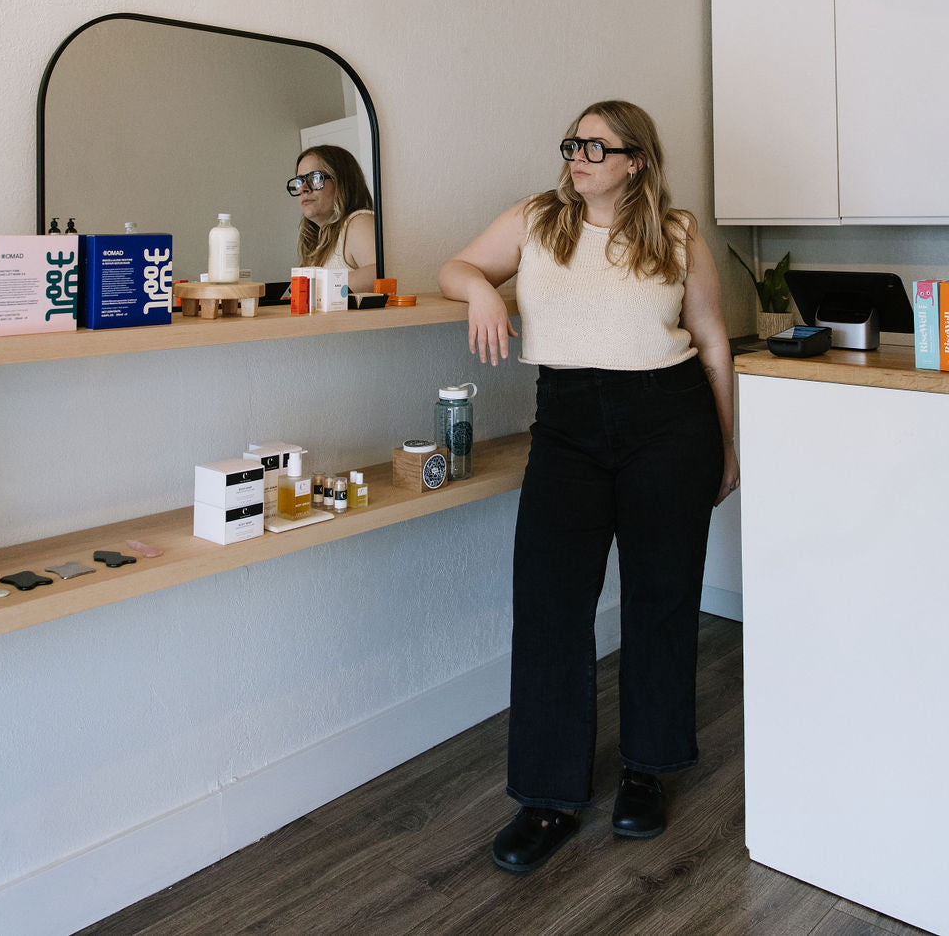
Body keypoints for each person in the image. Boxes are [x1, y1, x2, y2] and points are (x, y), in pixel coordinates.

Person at [438, 99, 739, 875]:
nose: (578, 154)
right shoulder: (537, 218)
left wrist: (728, 444)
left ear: (637, 161)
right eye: (574, 142)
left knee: (660, 597)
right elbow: (456, 267)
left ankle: (647, 769)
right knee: (549, 604)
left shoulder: (677, 233)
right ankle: (547, 797)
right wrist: (481, 291)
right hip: (567, 425)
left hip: (670, 423)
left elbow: (712, 342)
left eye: (598, 147)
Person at [287, 144, 376, 294]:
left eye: (315, 178)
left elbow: (381, 273)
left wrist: (314, 289)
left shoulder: (359, 223)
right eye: (299, 181)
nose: (303, 188)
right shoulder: (317, 239)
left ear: (342, 182)